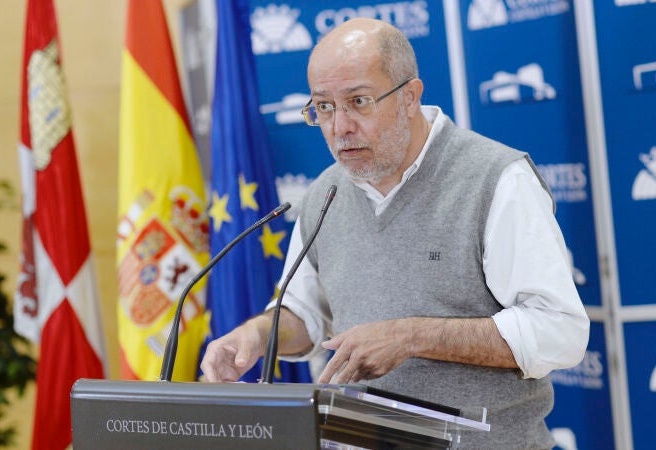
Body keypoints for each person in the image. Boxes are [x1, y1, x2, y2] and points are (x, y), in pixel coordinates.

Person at [201, 18, 589, 448]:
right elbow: (305, 317)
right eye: (324, 108)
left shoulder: (495, 179)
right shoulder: (324, 193)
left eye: (358, 101)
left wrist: (411, 337)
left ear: (410, 96)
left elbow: (558, 331)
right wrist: (254, 336)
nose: (340, 126)